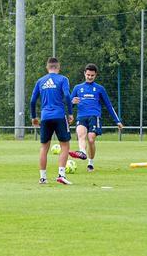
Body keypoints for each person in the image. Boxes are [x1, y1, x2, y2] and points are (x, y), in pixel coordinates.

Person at [69, 63, 123, 171]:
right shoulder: (77, 88)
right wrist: (72, 102)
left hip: (94, 117)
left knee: (91, 139)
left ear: (95, 75)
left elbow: (108, 105)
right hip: (81, 116)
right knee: (81, 134)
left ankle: (90, 162)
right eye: (88, 75)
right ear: (84, 74)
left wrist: (117, 120)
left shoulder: (99, 89)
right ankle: (82, 152)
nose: (89, 77)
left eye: (92, 75)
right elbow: (69, 104)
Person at [30, 56, 75, 185]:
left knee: (44, 147)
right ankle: (61, 174)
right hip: (59, 116)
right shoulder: (63, 79)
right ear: (58, 67)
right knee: (65, 145)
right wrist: (70, 113)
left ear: (47, 67)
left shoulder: (40, 81)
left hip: (45, 117)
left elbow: (32, 101)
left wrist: (34, 117)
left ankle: (43, 177)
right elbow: (67, 95)